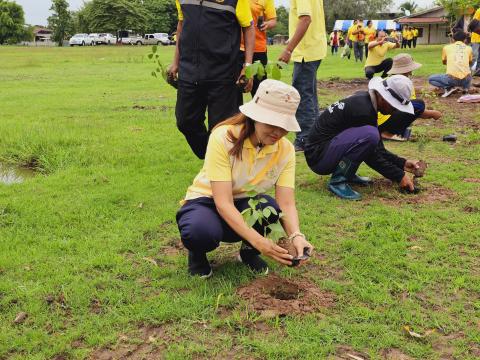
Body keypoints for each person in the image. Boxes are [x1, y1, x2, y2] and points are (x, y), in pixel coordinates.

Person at [176, 80, 314, 277]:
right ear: (255, 117)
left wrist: (296, 236)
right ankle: (197, 254)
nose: (278, 132)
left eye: (284, 126)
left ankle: (248, 253)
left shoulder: (285, 150)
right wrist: (260, 241)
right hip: (207, 201)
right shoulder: (223, 136)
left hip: (244, 203)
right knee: (200, 231)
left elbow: (286, 202)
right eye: (271, 123)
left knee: (271, 211)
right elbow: (223, 202)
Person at [304, 75, 422, 200]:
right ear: (382, 97)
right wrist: (399, 176)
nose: (394, 111)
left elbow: (377, 148)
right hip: (319, 158)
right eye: (394, 106)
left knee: (371, 136)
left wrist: (402, 163)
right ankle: (338, 181)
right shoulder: (363, 110)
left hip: (323, 151)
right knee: (370, 135)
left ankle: (347, 173)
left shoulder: (365, 102)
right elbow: (373, 156)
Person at [169, 0, 255, 159]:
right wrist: (176, 62)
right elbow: (182, 25)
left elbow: (249, 27)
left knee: (222, 129)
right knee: (185, 121)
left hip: (224, 74)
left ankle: (219, 170)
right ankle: (210, 157)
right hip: (189, 71)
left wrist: (247, 66)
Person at [278, 0, 327, 152]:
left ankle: (305, 138)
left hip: (306, 51)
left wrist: (288, 49)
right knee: (309, 94)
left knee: (302, 95)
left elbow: (305, 19)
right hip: (313, 49)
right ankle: (315, 134)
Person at [378, 53, 443, 141]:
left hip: (376, 123)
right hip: (384, 122)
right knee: (419, 104)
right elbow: (411, 109)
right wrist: (432, 113)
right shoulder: (405, 84)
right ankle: (387, 133)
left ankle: (389, 131)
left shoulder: (386, 81)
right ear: (409, 70)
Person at [238, 0, 276, 99]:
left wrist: (267, 24)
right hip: (236, 49)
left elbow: (273, 21)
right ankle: (237, 113)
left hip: (258, 49)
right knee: (235, 89)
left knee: (259, 91)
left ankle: (261, 113)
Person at [428, 31, 473, 97]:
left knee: (431, 79)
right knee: (468, 73)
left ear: (453, 39)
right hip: (466, 80)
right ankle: (465, 89)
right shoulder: (469, 48)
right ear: (465, 39)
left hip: (452, 79)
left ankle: (449, 88)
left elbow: (444, 62)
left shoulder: (446, 47)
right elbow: (470, 62)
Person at [470, 7, 480, 75]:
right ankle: (475, 72)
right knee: (475, 56)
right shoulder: (479, 11)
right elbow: (474, 24)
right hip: (476, 38)